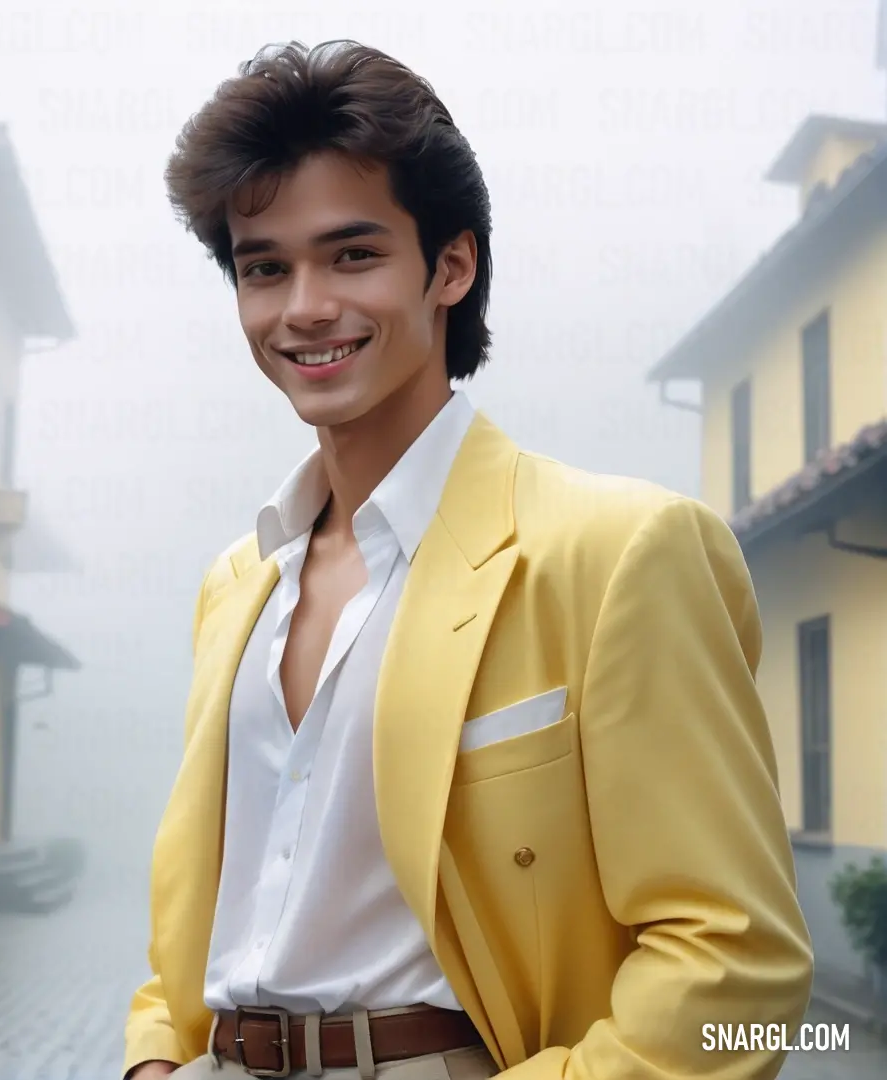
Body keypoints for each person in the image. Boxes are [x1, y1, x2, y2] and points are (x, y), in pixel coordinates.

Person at [123, 40, 813, 1080]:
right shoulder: (239, 584)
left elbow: (740, 967)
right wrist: (154, 1059)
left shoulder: (616, 552)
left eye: (352, 254)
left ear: (452, 264)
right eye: (265, 266)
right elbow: (204, 904)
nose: (303, 304)